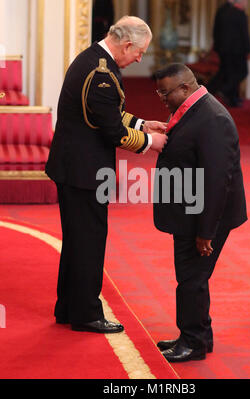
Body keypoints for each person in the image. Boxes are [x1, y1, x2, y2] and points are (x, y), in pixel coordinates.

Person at [45, 16, 168, 334]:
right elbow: (112, 129)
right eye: (139, 52)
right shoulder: (101, 73)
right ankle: (86, 314)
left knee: (76, 240)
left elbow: (107, 111)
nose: (140, 58)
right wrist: (151, 142)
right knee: (88, 241)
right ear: (127, 45)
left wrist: (141, 124)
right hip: (83, 171)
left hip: (73, 166)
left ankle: (69, 307)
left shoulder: (94, 60)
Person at [153, 63, 247, 362]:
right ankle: (197, 336)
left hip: (205, 218)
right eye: (160, 92)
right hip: (190, 213)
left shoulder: (212, 118)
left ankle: (193, 342)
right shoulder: (192, 109)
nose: (162, 99)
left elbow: (218, 181)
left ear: (185, 88)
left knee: (191, 279)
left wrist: (207, 231)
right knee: (191, 277)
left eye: (166, 93)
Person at [208, 0, 250, 107]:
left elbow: (215, 31)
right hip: (238, 51)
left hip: (223, 49)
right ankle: (225, 91)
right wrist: (248, 50)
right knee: (241, 72)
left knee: (226, 73)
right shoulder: (240, 13)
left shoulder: (221, 11)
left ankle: (231, 98)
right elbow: (244, 34)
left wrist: (217, 47)